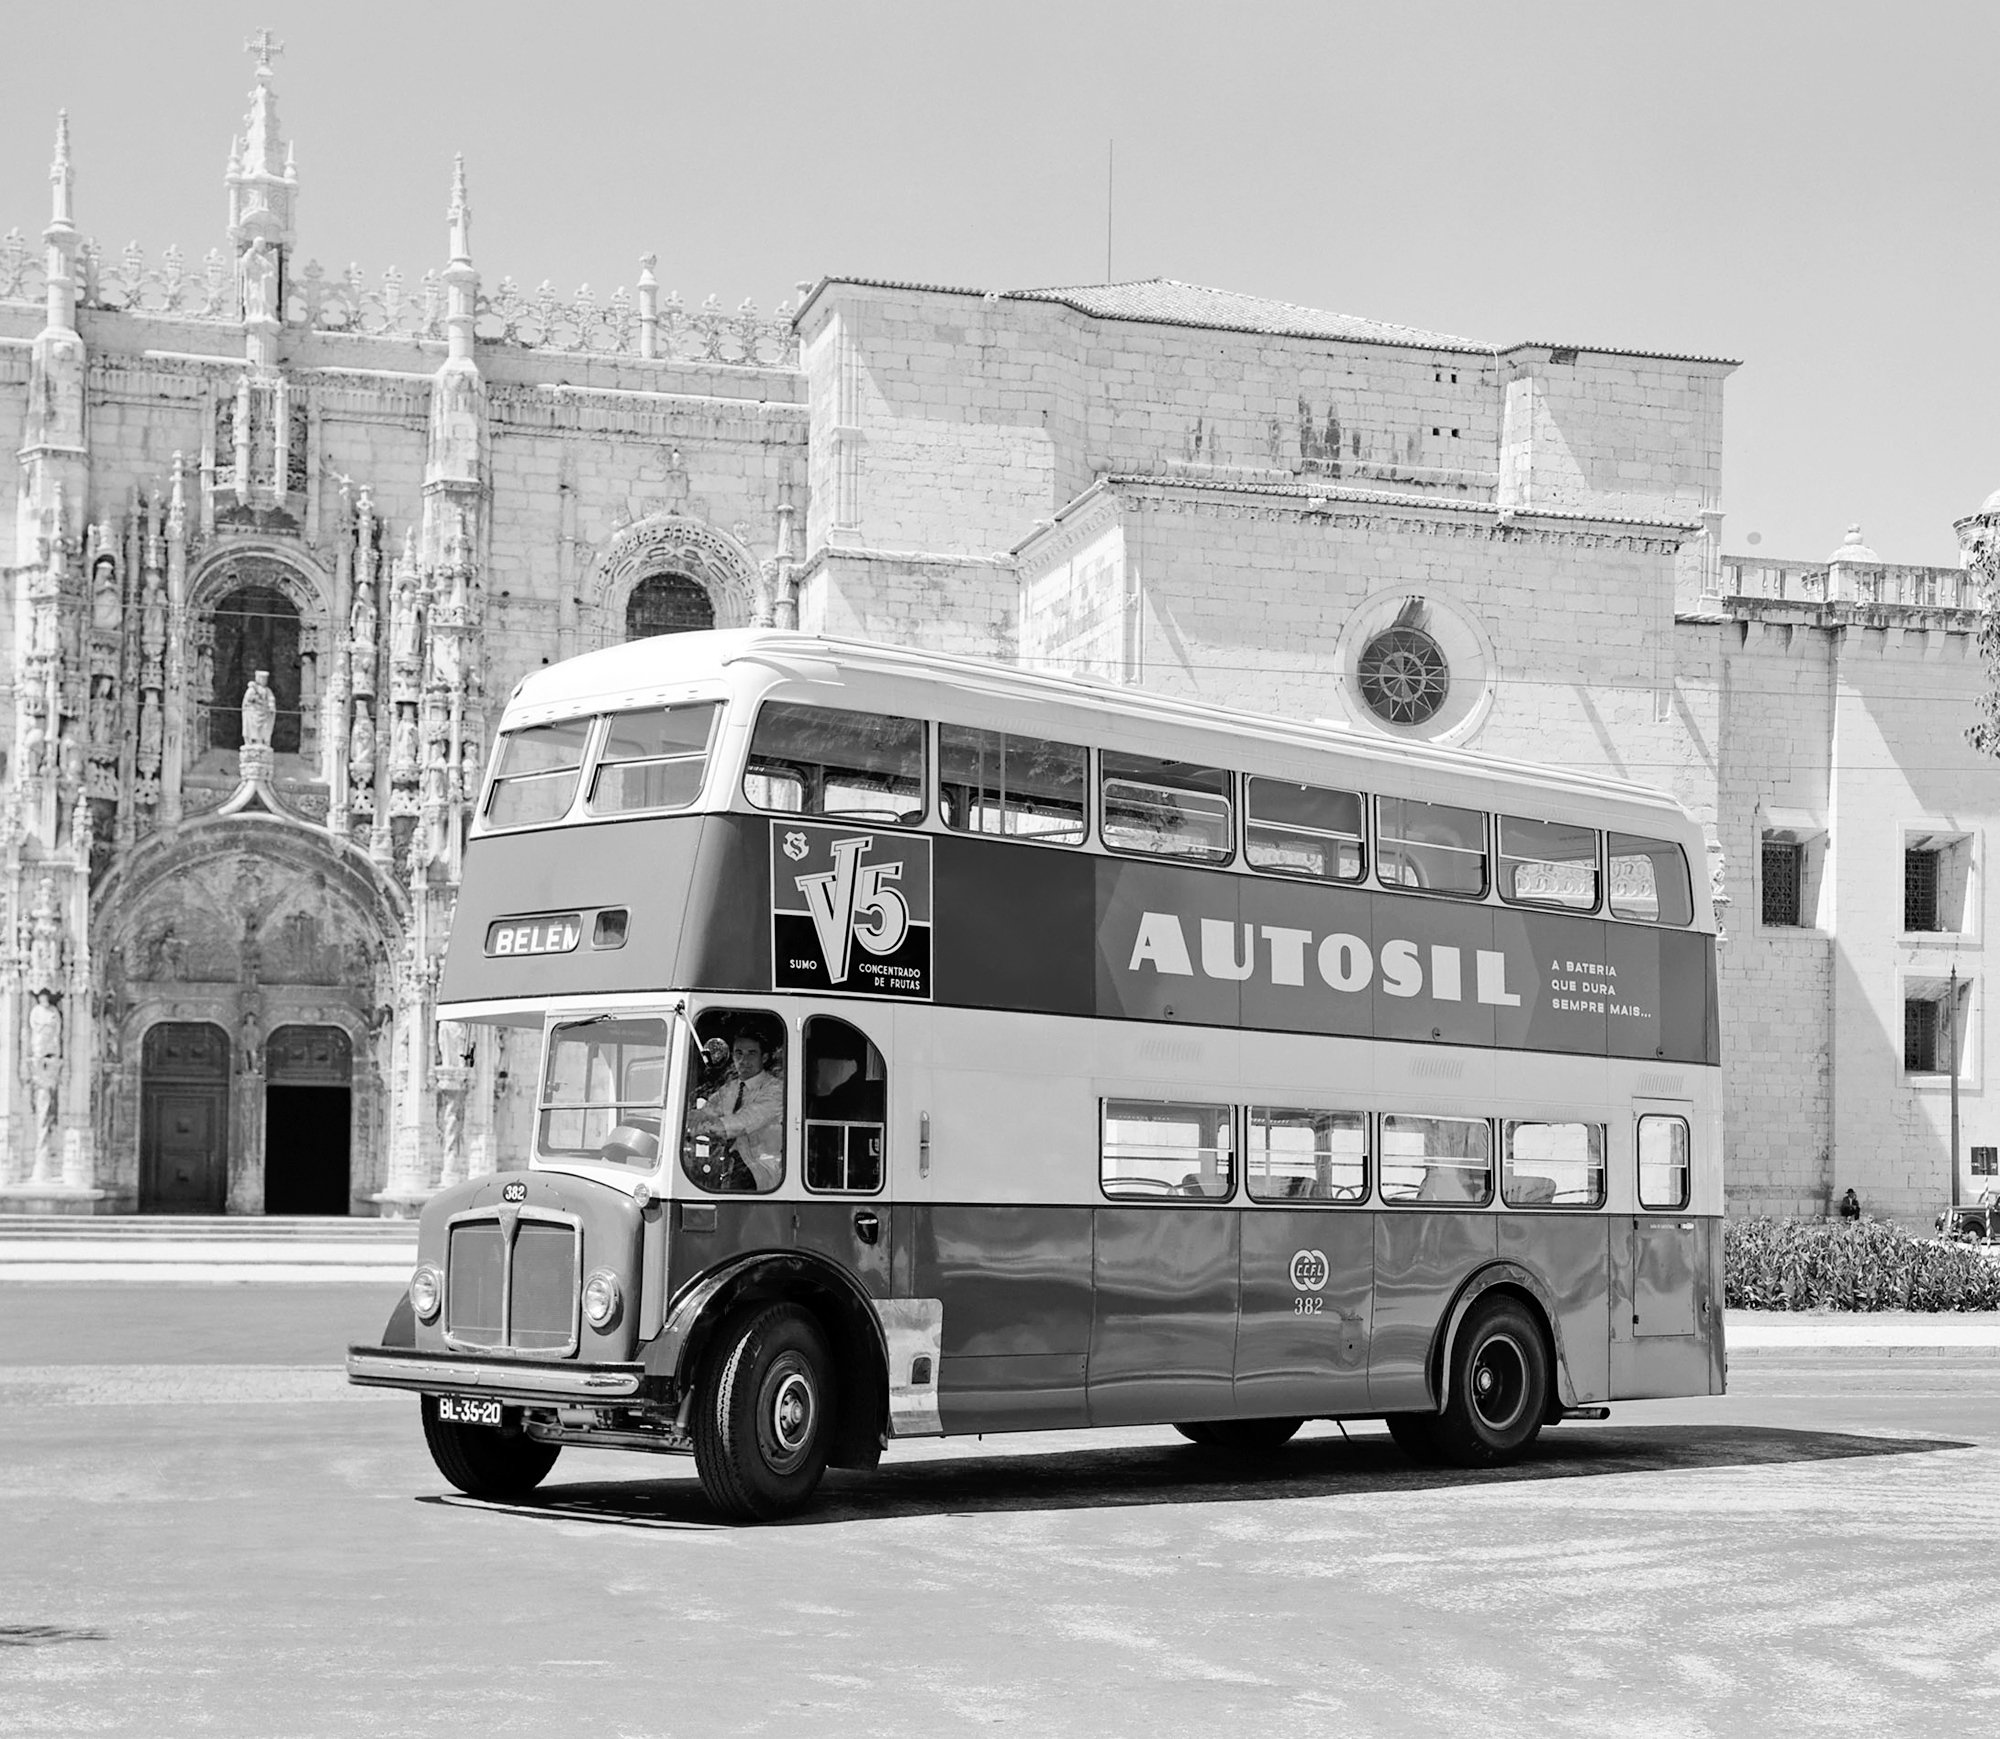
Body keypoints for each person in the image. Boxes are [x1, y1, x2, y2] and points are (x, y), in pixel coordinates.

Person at [686, 1027, 784, 1191]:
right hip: (728, 1169)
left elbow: (741, 1123)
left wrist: (705, 1126)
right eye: (739, 1053)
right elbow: (705, 1113)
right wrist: (687, 1122)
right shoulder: (729, 1090)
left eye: (751, 1053)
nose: (744, 1060)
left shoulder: (776, 1090)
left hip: (763, 1176)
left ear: (764, 1057)